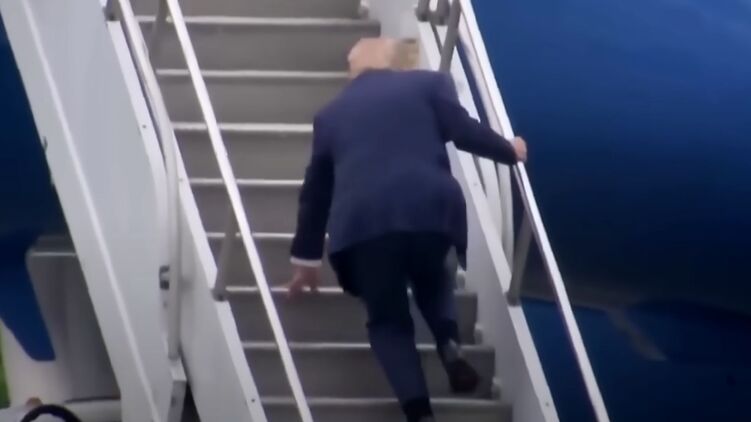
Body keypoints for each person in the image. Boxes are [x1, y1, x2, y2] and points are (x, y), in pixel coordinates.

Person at [286, 38, 527, 422]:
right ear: (394, 61)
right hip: (428, 210)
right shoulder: (429, 84)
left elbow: (316, 192)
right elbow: (463, 131)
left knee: (388, 320)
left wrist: (306, 257)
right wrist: (508, 150)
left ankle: (419, 413)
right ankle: (449, 345)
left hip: (363, 225)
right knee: (434, 274)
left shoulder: (329, 116)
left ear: (353, 69)